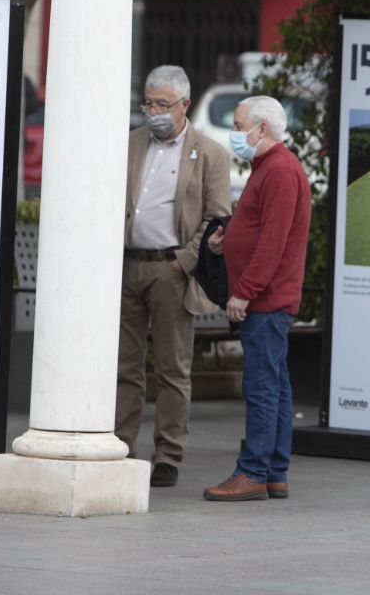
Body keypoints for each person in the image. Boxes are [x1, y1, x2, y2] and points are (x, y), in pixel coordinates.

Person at [116, 65, 231, 488]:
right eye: (148, 103)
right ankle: (120, 445)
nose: (153, 111)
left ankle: (167, 453)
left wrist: (183, 262)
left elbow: (218, 218)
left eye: (162, 104)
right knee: (125, 366)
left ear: (184, 104)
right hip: (128, 264)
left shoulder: (210, 153)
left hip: (170, 269)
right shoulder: (131, 144)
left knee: (172, 367)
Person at [203, 95, 311, 502]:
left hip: (266, 302)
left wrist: (243, 292)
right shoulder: (268, 167)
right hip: (267, 300)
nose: (234, 132)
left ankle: (252, 472)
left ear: (261, 128)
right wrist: (225, 244)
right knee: (276, 386)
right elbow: (259, 231)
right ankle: (273, 472)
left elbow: (272, 242)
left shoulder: (280, 170)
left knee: (263, 387)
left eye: (237, 123)